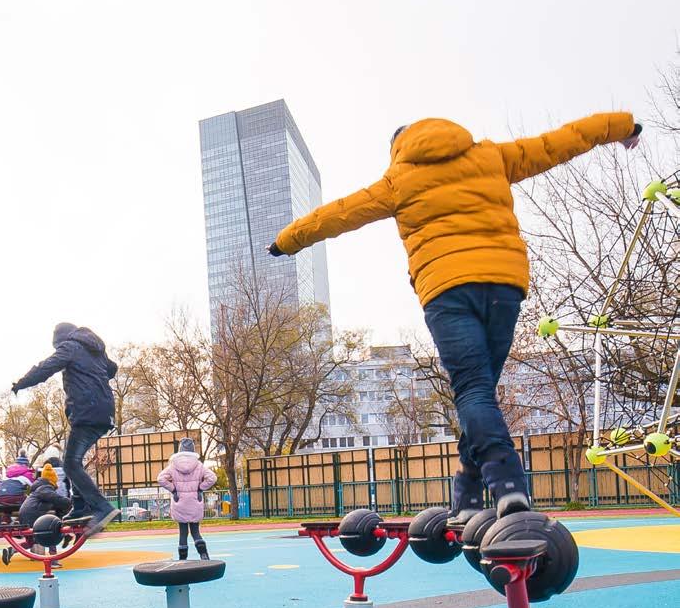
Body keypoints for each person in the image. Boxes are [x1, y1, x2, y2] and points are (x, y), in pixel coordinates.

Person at [268, 112, 642, 520]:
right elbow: (562, 141)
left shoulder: (398, 180)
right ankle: (467, 493)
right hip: (504, 284)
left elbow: (339, 213)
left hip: (447, 290)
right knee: (480, 392)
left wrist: (286, 241)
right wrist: (622, 126)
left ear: (398, 150)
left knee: (473, 390)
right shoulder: (491, 156)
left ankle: (508, 484)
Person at [11, 323, 119, 535]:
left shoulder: (70, 346)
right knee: (74, 460)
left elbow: (46, 367)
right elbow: (112, 368)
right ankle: (80, 506)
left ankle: (102, 507)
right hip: (104, 412)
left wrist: (21, 383)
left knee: (70, 463)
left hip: (87, 412)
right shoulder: (96, 350)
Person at [2, 463, 72, 567]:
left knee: (31, 542)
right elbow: (55, 498)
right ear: (52, 480)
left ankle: (11, 550)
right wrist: (71, 502)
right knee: (51, 532)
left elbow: (52, 500)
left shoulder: (38, 488)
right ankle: (53, 560)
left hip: (26, 514)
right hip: (33, 515)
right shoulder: (45, 488)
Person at [157, 438, 216, 560]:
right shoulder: (199, 465)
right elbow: (212, 478)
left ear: (180, 450)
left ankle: (183, 559)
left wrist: (173, 489)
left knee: (183, 532)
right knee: (195, 531)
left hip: (180, 502)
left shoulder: (173, 465)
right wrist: (200, 488)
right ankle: (204, 555)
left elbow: (161, 479)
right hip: (194, 501)